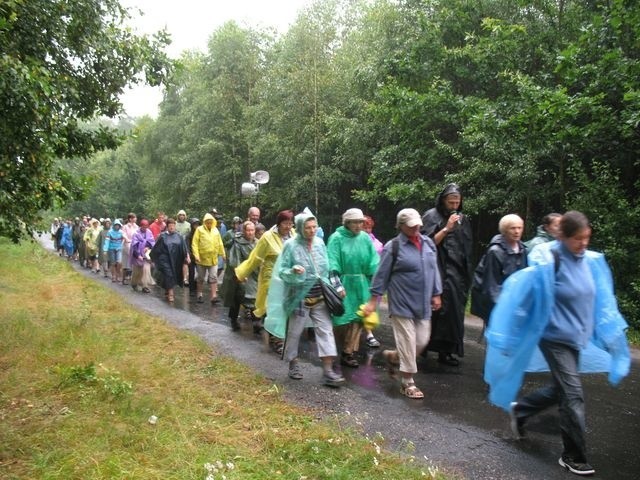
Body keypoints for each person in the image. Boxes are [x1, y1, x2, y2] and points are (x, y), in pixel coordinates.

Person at [484, 211, 631, 477]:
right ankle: (573, 456)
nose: (583, 244)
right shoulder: (549, 263)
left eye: (587, 238)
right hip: (554, 338)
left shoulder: (591, 262)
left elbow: (602, 303)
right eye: (578, 239)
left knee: (560, 389)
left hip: (577, 337)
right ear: (563, 237)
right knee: (573, 394)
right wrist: (511, 337)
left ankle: (521, 411)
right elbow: (522, 300)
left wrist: (611, 336)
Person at [362, 208, 442, 399]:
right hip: (402, 303)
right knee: (407, 341)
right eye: (411, 225)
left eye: (418, 224)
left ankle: (393, 357)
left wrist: (436, 292)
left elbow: (434, 269)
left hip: (422, 303)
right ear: (401, 226)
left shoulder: (428, 243)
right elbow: (381, 274)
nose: (416, 228)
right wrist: (373, 300)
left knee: (421, 341)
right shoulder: (394, 246)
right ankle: (407, 382)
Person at [265, 211, 346, 387]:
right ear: (300, 228)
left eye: (314, 227)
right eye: (307, 227)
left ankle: (328, 370)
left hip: (320, 296)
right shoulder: (291, 246)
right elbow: (282, 271)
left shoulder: (319, 244)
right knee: (295, 333)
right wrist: (294, 270)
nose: (311, 231)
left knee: (325, 331)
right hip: (299, 298)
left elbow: (327, 267)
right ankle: (293, 363)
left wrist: (337, 285)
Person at [421, 183, 473, 366]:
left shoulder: (463, 219)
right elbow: (426, 244)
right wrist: (446, 228)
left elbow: (465, 247)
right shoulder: (431, 216)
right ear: (443, 200)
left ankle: (447, 351)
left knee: (453, 315)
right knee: (436, 312)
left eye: (457, 202)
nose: (454, 206)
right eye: (451, 202)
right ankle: (423, 346)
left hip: (456, 272)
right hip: (437, 270)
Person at [236, 210, 295, 353]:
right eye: (285, 224)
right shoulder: (268, 237)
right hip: (271, 277)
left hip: (290, 277)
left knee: (286, 308)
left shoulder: (294, 235)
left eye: (290, 223)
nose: (288, 227)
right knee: (275, 307)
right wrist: (243, 272)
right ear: (278, 223)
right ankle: (277, 340)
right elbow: (255, 257)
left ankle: (275, 332)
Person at [327, 208, 379, 368]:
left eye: (360, 222)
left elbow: (373, 261)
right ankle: (334, 350)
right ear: (347, 223)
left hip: (361, 284)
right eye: (355, 222)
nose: (358, 225)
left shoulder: (365, 238)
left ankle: (348, 353)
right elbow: (332, 262)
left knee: (358, 319)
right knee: (342, 319)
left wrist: (375, 283)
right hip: (343, 283)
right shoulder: (336, 238)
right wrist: (337, 285)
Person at [470, 214, 527, 326]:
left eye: (519, 228)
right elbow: (491, 286)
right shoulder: (495, 251)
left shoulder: (523, 250)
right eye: (513, 228)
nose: (517, 231)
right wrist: (503, 308)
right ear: (505, 230)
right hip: (498, 306)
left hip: (516, 304)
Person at [221, 221, 258, 331]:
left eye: (252, 230)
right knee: (238, 297)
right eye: (248, 230)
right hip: (241, 274)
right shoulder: (238, 243)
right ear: (244, 231)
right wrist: (240, 273)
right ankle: (233, 319)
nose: (250, 232)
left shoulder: (258, 243)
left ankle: (256, 321)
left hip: (255, 274)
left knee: (255, 297)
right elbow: (235, 260)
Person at [150, 218, 190, 303]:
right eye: (170, 226)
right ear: (167, 227)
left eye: (173, 226)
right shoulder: (162, 236)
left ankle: (167, 289)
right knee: (169, 274)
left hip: (176, 259)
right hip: (165, 259)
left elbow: (184, 247)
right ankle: (171, 294)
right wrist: (153, 259)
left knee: (174, 275)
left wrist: (187, 256)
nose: (172, 227)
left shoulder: (179, 236)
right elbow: (156, 249)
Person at [191, 213, 225, 304]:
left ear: (213, 222)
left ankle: (213, 296)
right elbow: (194, 244)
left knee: (213, 277)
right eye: (207, 222)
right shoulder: (199, 230)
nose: (209, 223)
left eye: (211, 222)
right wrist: (196, 256)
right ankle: (199, 295)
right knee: (201, 278)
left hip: (213, 259)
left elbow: (220, 243)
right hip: (201, 259)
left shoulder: (216, 231)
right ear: (204, 222)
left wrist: (223, 254)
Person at [130, 219, 155, 293]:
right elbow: (134, 246)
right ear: (140, 226)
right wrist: (138, 256)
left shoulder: (149, 232)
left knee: (146, 269)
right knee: (137, 271)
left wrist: (148, 247)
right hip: (137, 254)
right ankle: (134, 283)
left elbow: (152, 242)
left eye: (146, 227)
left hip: (146, 255)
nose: (145, 228)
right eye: (143, 227)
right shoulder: (136, 233)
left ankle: (145, 286)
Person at [121, 212, 139, 285]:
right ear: (130, 219)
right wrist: (126, 239)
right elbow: (123, 234)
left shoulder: (136, 227)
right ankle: (124, 278)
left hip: (134, 245)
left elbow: (138, 235)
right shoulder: (125, 227)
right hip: (127, 245)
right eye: (134, 217)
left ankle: (132, 277)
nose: (136, 219)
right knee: (126, 262)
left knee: (133, 261)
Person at [175, 209, 191, 285]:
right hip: (176, 244)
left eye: (183, 215)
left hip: (185, 244)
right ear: (178, 216)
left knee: (185, 261)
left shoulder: (188, 224)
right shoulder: (174, 223)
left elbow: (191, 234)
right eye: (180, 215)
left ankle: (185, 279)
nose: (182, 216)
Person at [185, 218, 200, 295]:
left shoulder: (201, 235)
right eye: (194, 225)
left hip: (199, 257)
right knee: (191, 273)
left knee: (200, 274)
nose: (196, 226)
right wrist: (188, 255)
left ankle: (196, 287)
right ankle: (191, 290)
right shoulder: (188, 236)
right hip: (191, 257)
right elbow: (187, 246)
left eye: (197, 224)